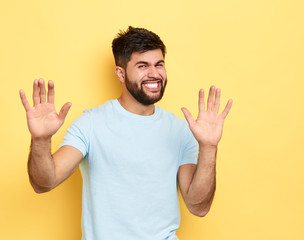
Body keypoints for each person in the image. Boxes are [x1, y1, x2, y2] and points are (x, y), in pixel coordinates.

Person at [19, 26, 232, 240]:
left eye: (159, 65)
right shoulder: (91, 123)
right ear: (120, 73)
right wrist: (40, 140)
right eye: (142, 65)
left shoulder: (180, 130)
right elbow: (44, 183)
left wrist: (209, 147)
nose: (154, 74)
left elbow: (198, 206)